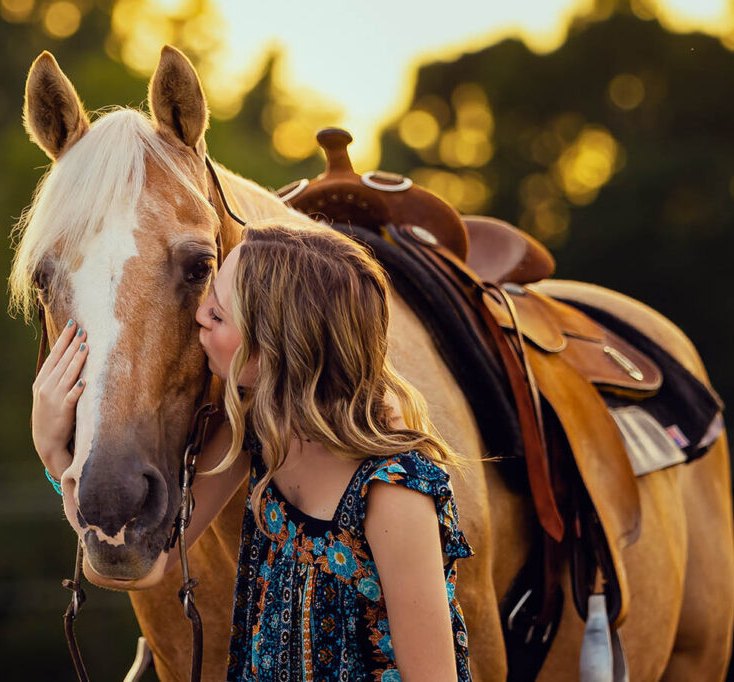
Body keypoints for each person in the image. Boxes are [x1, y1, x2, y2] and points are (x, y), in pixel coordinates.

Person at [33, 219, 474, 681]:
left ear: (279, 349)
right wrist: (55, 457)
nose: (199, 316)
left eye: (219, 315)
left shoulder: (392, 493)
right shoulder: (254, 435)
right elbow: (143, 568)